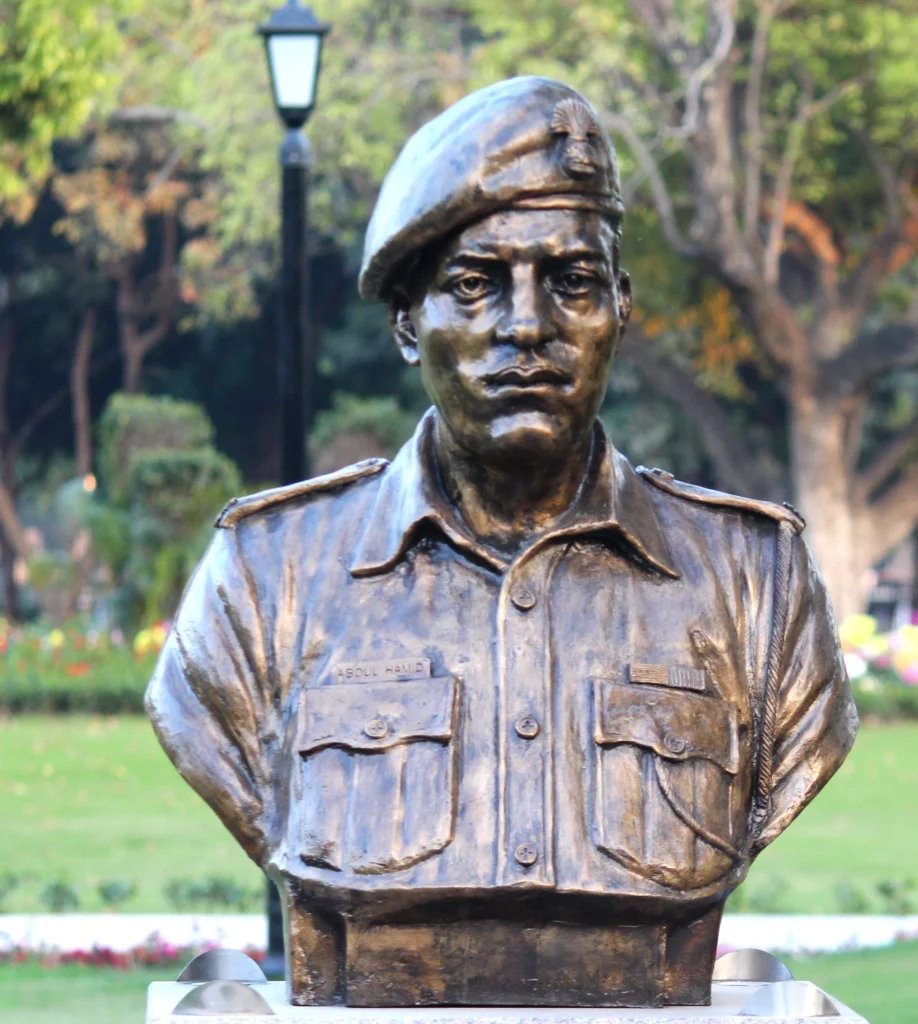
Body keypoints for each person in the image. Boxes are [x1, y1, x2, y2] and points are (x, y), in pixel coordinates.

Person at [146, 76, 857, 1007]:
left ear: (621, 308)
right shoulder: (265, 572)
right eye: (475, 285)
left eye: (573, 282)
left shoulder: (755, 577)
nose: (528, 326)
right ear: (408, 324)